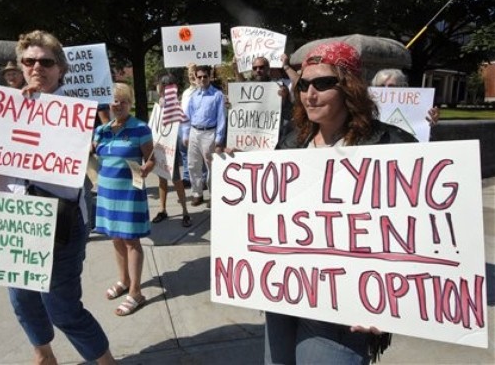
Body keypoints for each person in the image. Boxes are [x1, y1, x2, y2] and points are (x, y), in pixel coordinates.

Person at [263, 42, 417, 364]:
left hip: (345, 306)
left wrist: (393, 304)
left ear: (349, 87)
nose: (309, 94)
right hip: (285, 294)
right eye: (304, 84)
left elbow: (415, 229)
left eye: (322, 83)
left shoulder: (391, 144)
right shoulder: (291, 142)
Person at [0, 30, 115, 365]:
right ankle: (43, 355)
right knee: (22, 300)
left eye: (46, 62)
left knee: (63, 309)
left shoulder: (75, 110)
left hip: (60, 225)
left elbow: (68, 160)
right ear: (20, 66)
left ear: (60, 69)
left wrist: (36, 111)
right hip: (12, 219)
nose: (37, 67)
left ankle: (106, 361)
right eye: (29, 61)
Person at [93, 82, 155, 316]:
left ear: (129, 103)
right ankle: (124, 280)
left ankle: (136, 292)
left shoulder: (140, 129)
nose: (117, 105)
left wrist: (146, 167)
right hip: (107, 192)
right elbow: (91, 153)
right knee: (115, 238)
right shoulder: (102, 130)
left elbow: (151, 158)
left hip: (130, 192)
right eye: (114, 101)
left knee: (131, 241)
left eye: (122, 101)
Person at [182, 65, 226, 207]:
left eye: (205, 76)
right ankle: (197, 194)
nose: (202, 79)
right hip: (194, 132)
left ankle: (214, 195)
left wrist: (219, 139)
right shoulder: (193, 96)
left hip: (210, 134)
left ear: (209, 77)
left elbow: (221, 118)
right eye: (199, 77)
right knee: (193, 165)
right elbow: (187, 116)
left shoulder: (217, 95)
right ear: (196, 78)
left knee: (211, 166)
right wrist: (185, 134)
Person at [152, 74, 192, 228]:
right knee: (161, 178)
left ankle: (185, 211)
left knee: (176, 179)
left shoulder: (176, 105)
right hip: (160, 146)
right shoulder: (159, 105)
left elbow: (181, 122)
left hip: (171, 147)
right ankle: (162, 209)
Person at [371, 68, 440, 126]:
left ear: (403, 87)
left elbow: (421, 130)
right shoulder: (368, 109)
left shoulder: (416, 110)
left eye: (392, 86)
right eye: (381, 86)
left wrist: (431, 122)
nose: (386, 90)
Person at [179, 63, 198, 188]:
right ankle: (186, 177)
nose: (191, 76)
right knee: (185, 154)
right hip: (183, 127)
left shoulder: (202, 90)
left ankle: (201, 179)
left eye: (193, 73)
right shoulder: (186, 92)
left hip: (195, 128)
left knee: (197, 155)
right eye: (189, 73)